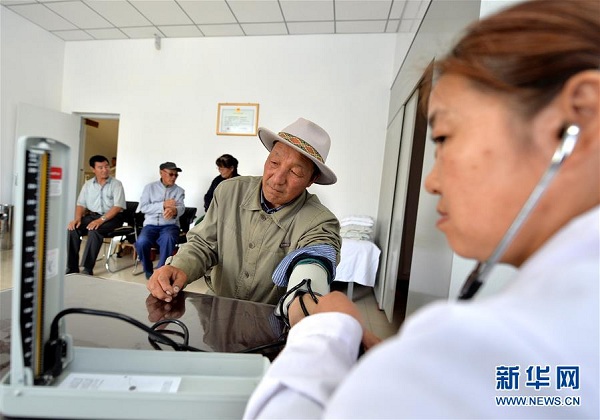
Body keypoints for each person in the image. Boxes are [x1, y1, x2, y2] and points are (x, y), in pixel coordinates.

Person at [244, 1, 600, 418]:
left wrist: (328, 327)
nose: (431, 181)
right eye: (274, 164)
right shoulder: (554, 328)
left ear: (580, 116)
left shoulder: (521, 338)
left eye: (446, 137)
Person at [147, 117, 341, 308]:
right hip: (217, 312)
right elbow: (204, 244)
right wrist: (179, 267)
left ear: (311, 179)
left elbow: (314, 261)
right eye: (274, 162)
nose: (277, 179)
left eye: (296, 172)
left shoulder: (320, 221)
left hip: (271, 323)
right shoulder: (229, 192)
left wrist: (303, 303)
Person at [67, 155, 126, 276]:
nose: (105, 170)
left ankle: (87, 268)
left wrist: (100, 220)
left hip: (113, 217)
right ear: (93, 169)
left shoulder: (116, 184)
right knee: (72, 229)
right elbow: (80, 204)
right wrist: (77, 219)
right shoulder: (88, 185)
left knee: (95, 230)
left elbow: (117, 206)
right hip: (92, 216)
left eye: (106, 166)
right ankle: (72, 267)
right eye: (100, 167)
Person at [136, 162, 186, 279]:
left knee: (168, 238)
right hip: (150, 225)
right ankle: (148, 270)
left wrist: (174, 210)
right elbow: (143, 208)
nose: (174, 177)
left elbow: (181, 208)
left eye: (176, 175)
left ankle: (160, 271)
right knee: (141, 242)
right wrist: (163, 205)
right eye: (171, 174)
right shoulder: (149, 188)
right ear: (161, 173)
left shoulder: (179, 191)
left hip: (170, 225)